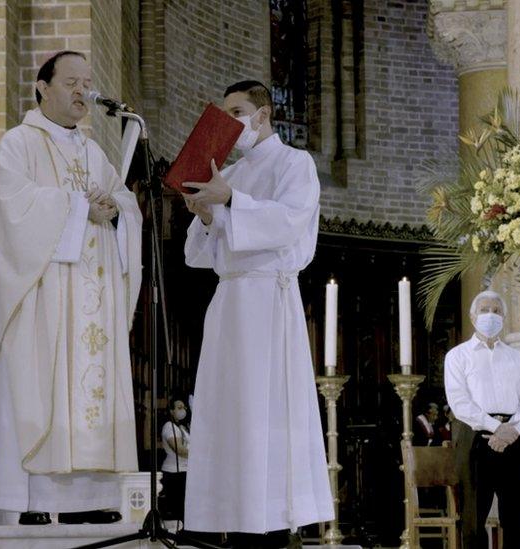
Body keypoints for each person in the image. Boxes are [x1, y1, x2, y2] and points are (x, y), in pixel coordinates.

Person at [0, 50, 143, 525]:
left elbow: (123, 201)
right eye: (71, 82)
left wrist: (118, 209)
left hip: (94, 294)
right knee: (40, 386)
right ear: (42, 87)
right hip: (43, 294)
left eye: (87, 83)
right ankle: (36, 499)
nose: (83, 92)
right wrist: (76, 205)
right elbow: (9, 209)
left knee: (93, 389)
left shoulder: (92, 150)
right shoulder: (18, 144)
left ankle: (91, 498)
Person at [180, 80, 334, 547]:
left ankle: (269, 519)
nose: (231, 122)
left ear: (264, 114)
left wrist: (229, 202)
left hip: (269, 300)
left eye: (238, 111)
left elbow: (288, 222)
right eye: (225, 113)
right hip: (230, 302)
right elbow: (195, 255)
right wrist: (206, 214)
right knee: (227, 412)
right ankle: (229, 513)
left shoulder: (295, 163)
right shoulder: (230, 172)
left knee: (265, 413)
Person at [444, 290, 520, 549]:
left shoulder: (515, 357)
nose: (490, 315)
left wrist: (514, 430)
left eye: (496, 311)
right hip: (476, 437)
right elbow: (459, 402)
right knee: (474, 518)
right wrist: (497, 428)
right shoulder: (458, 356)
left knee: (517, 519)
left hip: (514, 439)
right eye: (484, 310)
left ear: (505, 318)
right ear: (473, 316)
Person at [160, 397, 191, 521]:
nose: (182, 410)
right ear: (171, 411)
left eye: (184, 408)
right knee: (177, 510)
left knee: (184, 509)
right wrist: (198, 455)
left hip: (184, 471)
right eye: (179, 408)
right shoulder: (169, 426)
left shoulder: (182, 428)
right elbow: (179, 450)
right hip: (174, 473)